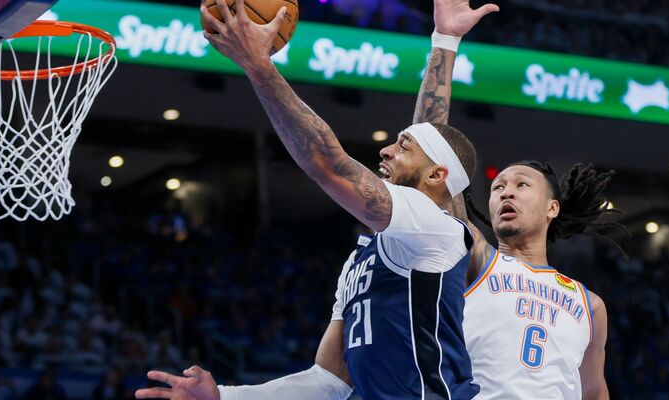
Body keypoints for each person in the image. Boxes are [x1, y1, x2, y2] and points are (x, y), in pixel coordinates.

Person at [135, 0, 497, 399]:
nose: (385, 151)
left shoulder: (437, 229)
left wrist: (259, 65)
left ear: (436, 176)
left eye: (403, 148)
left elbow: (329, 162)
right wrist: (224, 395)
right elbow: (327, 381)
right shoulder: (363, 260)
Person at [411, 8, 620, 398]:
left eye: (521, 184)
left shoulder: (590, 306)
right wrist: (444, 42)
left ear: (551, 208)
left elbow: (593, 391)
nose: (505, 191)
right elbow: (425, 155)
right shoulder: (476, 258)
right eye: (497, 187)